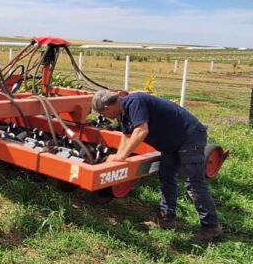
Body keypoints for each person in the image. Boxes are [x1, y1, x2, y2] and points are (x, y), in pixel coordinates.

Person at [92, 89, 223, 242]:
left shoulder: (135, 102)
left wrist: (121, 156)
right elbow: (127, 136)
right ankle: (167, 219)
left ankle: (211, 227)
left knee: (194, 183)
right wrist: (118, 157)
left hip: (189, 137)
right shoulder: (123, 111)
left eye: (103, 114)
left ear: (107, 108)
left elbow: (141, 131)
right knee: (167, 176)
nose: (105, 117)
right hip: (171, 142)